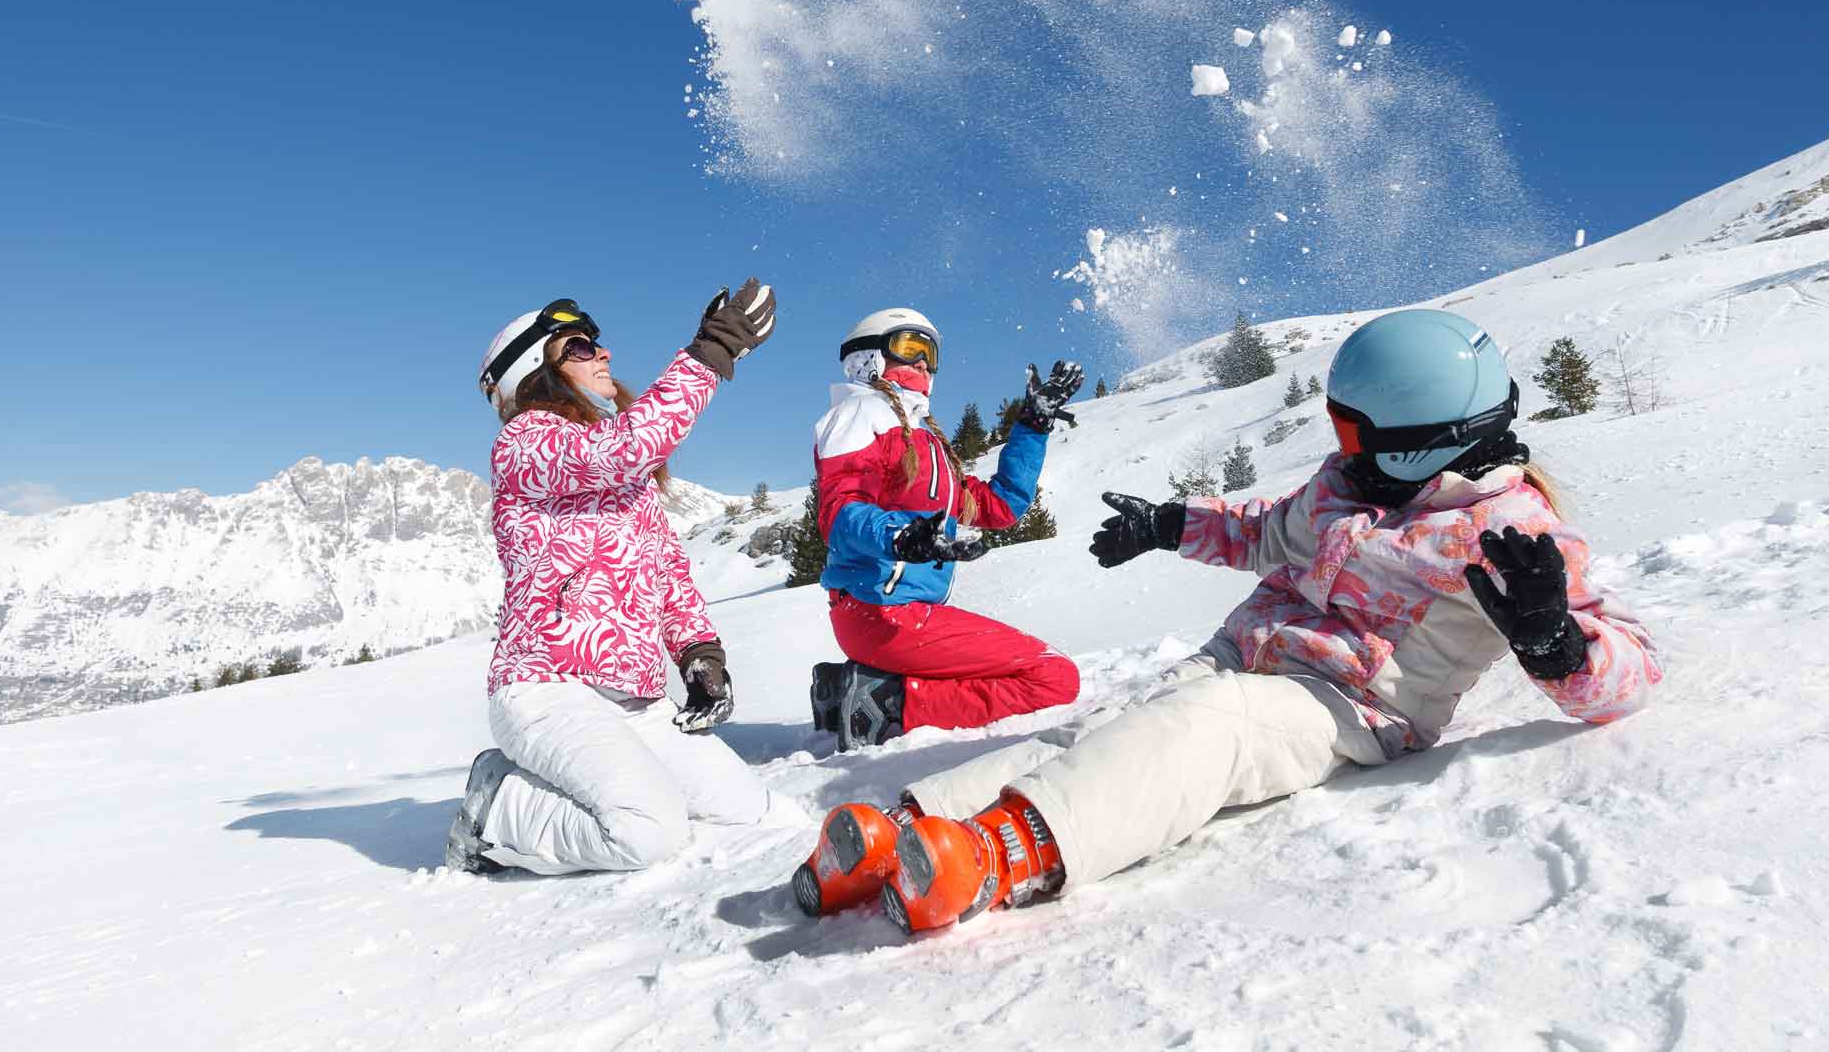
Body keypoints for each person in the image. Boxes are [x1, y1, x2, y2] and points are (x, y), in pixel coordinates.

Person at [791, 308, 1663, 928]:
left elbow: (1630, 673)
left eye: (1354, 436)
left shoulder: (1508, 535)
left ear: (1419, 439)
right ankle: (906, 831)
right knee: (1113, 726)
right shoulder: (1350, 485)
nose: (1339, 452)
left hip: (1349, 706)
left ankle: (997, 851)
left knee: (1205, 730)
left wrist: (1552, 636)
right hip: (1242, 656)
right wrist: (1173, 526)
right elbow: (1262, 534)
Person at [443, 282, 779, 876]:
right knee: (647, 833)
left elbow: (668, 570)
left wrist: (699, 653)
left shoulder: (624, 476)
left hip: (635, 700)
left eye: (598, 345)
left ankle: (603, 794)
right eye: (579, 347)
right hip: (547, 690)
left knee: (746, 809)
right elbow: (627, 445)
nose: (604, 355)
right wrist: (709, 354)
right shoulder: (525, 444)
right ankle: (496, 806)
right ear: (534, 370)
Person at [804, 307, 1086, 755]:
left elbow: (999, 506)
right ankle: (887, 703)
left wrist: (1033, 426)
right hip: (881, 612)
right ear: (868, 357)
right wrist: (901, 535)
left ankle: (849, 688)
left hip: (900, 616)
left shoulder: (926, 442)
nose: (922, 363)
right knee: (1052, 677)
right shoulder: (862, 412)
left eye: (929, 353)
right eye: (910, 347)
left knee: (1024, 671)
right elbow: (839, 512)